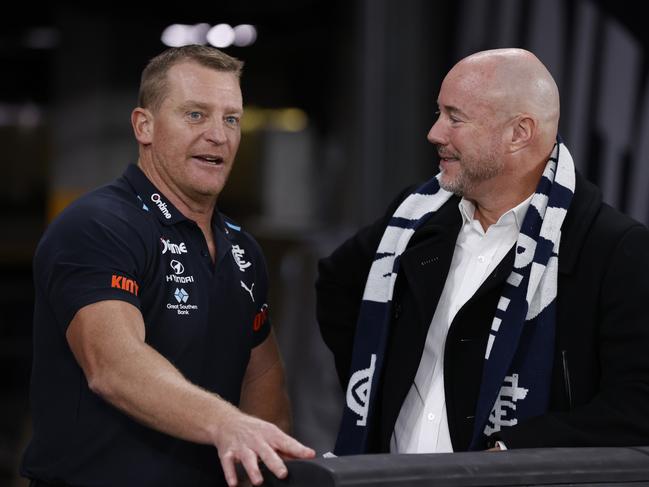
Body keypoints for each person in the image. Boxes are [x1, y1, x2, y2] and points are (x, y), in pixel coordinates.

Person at [316, 48, 649, 456]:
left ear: (519, 133)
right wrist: (377, 390)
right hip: (388, 478)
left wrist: (513, 450)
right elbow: (337, 286)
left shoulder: (614, 249)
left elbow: (637, 405)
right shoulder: (415, 217)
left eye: (455, 117)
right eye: (438, 113)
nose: (435, 133)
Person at [21, 45, 314, 487]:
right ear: (145, 126)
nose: (218, 135)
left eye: (231, 118)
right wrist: (225, 423)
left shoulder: (241, 248)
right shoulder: (97, 225)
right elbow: (114, 365)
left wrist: (267, 469)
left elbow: (263, 376)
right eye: (196, 115)